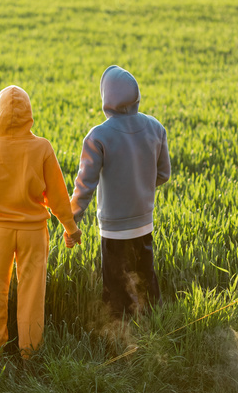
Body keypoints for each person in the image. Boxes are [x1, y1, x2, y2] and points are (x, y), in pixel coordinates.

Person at [0, 85, 81, 359]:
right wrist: (71, 228)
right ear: (29, 113)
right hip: (34, 231)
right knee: (32, 296)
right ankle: (30, 356)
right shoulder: (42, 146)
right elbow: (58, 196)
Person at [69, 65, 170, 319]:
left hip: (114, 229)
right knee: (146, 280)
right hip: (144, 223)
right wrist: (139, 185)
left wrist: (71, 222)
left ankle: (122, 343)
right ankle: (156, 330)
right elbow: (163, 174)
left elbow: (85, 187)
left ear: (106, 98)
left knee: (116, 288)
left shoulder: (98, 136)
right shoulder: (156, 128)